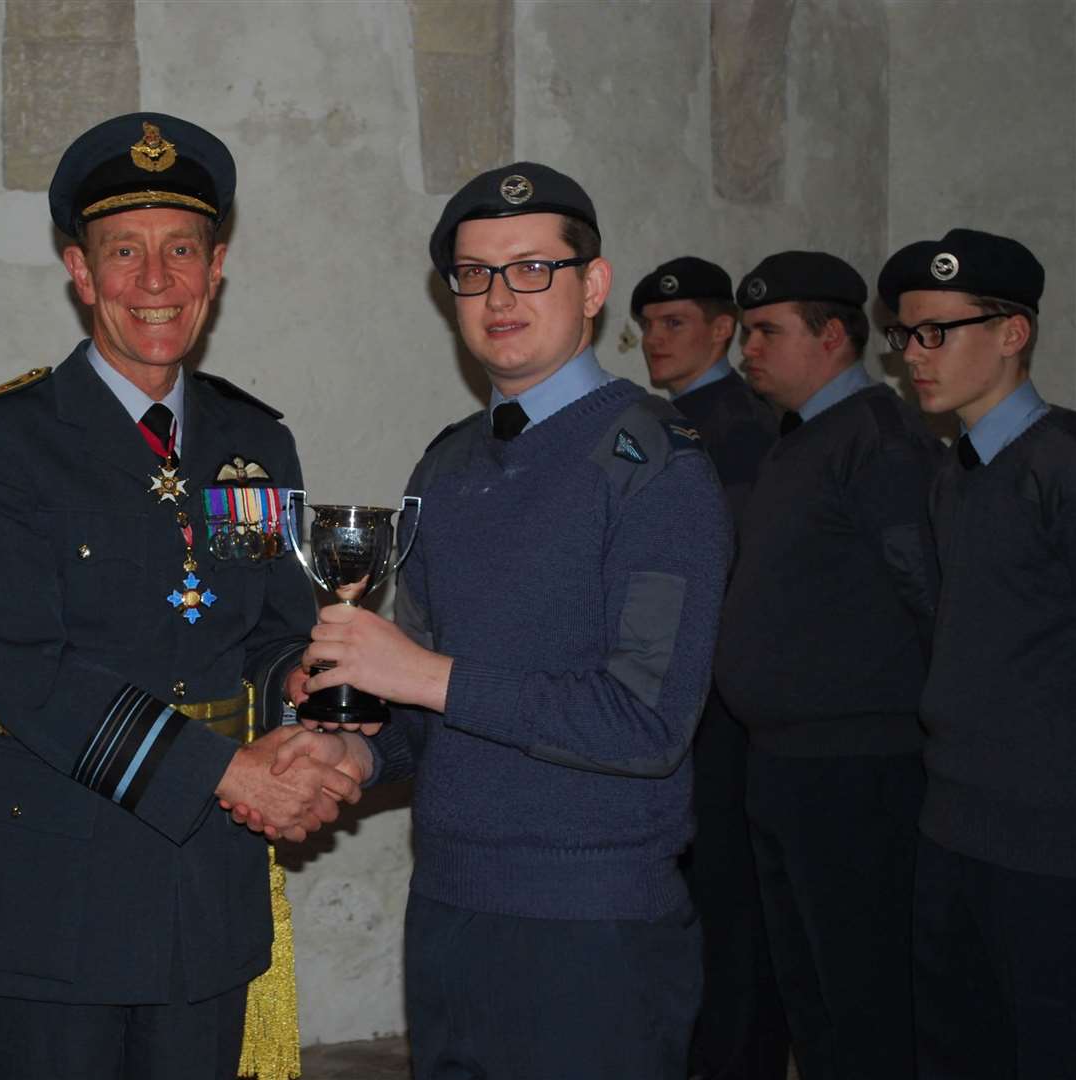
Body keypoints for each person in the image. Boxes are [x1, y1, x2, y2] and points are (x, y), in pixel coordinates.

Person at [253, 162, 733, 1077]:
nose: (498, 295)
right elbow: (435, 706)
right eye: (473, 273)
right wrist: (354, 752)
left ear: (591, 285)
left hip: (592, 924)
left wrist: (416, 676)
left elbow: (647, 723)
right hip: (448, 902)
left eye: (530, 267)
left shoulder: (655, 466)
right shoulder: (448, 466)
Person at [0, 112, 360, 1080]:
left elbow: (270, 633)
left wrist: (313, 706)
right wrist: (230, 773)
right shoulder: (3, 442)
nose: (154, 282)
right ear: (79, 271)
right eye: (125, 252)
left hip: (205, 881)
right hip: (56, 881)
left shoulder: (256, 442)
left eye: (181, 252)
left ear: (215, 271)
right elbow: (23, 677)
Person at [713, 251, 942, 1080]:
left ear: (834, 336)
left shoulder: (877, 441)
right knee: (809, 992)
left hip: (859, 767)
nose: (748, 350)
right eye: (744, 333)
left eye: (768, 332)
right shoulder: (801, 441)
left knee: (863, 993)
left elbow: (927, 589)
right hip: (785, 763)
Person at [879, 229, 1074, 1078]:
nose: (913, 357)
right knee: (953, 1044)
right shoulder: (952, 473)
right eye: (904, 335)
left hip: (1045, 834)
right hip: (953, 816)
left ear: (1010, 333)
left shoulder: (1059, 464)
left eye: (936, 332)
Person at [632, 257, 789, 1080]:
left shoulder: (734, 425)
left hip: (720, 699)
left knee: (726, 900)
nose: (654, 341)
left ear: (721, 330)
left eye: (675, 324)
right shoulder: (667, 421)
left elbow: (721, 573)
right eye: (648, 327)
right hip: (692, 697)